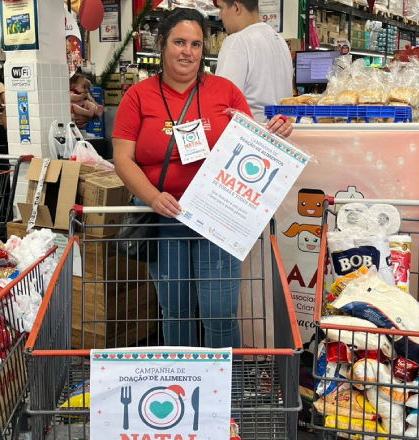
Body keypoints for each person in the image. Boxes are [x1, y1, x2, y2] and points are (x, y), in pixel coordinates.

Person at [112, 8, 292, 348]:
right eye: (179, 42)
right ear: (161, 44)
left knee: (220, 313)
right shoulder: (138, 96)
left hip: (217, 220)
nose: (188, 52)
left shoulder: (226, 92)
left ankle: (226, 379)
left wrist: (274, 134)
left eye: (195, 44)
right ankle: (184, 378)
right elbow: (123, 158)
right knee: (175, 311)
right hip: (165, 220)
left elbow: (251, 148)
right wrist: (152, 197)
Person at [216, 0, 293, 124]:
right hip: (279, 130)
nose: (220, 16)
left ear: (236, 8)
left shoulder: (237, 41)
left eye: (221, 8)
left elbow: (222, 103)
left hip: (249, 131)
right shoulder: (280, 41)